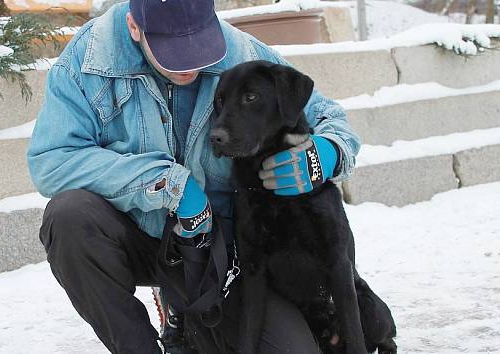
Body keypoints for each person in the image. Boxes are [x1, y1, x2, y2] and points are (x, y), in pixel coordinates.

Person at [27, 0, 361, 353]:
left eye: (199, 43)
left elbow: (329, 117)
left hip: (218, 249)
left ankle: (187, 317)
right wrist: (165, 184)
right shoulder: (88, 60)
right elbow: (51, 160)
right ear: (135, 27)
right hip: (133, 234)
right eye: (175, 50)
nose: (192, 63)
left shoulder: (240, 52)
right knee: (69, 218)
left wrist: (328, 151)